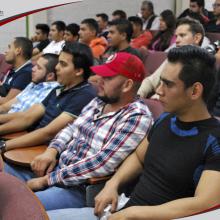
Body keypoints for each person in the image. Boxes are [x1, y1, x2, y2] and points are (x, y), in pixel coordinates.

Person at [48, 45, 220, 220]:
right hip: (122, 211)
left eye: (168, 84)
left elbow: (205, 203)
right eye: (160, 82)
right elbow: (138, 157)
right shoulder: (165, 119)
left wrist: (134, 213)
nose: (158, 90)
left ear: (195, 91)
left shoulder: (215, 140)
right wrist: (113, 184)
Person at [5, 52, 153, 211]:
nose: (99, 80)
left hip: (79, 188)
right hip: (57, 169)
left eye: (108, 78)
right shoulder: (99, 101)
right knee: (3, 177)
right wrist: (52, 151)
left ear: (127, 85)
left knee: (15, 206)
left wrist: (46, 180)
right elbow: (71, 129)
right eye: (101, 75)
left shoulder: (137, 117)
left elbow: (100, 163)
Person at [0, 42, 96, 150]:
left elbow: (48, 133)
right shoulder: (59, 88)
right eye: (58, 62)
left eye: (63, 64)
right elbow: (27, 117)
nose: (56, 67)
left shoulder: (84, 95)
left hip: (43, 149)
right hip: (30, 139)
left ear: (78, 71)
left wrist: (4, 146)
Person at [138, 18, 205, 98]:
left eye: (182, 35)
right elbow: (150, 81)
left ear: (197, 38)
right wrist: (138, 96)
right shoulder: (172, 58)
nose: (176, 40)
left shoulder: (202, 65)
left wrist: (158, 98)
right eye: (176, 36)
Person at [1, 37, 33, 104]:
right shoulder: (14, 69)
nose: (6, 51)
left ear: (18, 51)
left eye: (9, 48)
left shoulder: (26, 73)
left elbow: (8, 101)